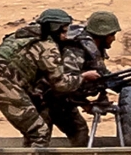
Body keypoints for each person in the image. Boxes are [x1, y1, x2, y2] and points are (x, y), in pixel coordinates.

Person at [0, 8, 101, 147]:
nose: (65, 36)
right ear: (54, 29)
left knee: (36, 126)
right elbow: (61, 84)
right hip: (8, 90)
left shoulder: (19, 37)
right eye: (63, 31)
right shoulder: (47, 47)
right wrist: (83, 77)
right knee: (40, 133)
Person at [46, 11, 122, 146]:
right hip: (46, 99)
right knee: (39, 136)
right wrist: (85, 104)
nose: (114, 39)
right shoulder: (76, 50)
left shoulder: (92, 49)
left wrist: (125, 84)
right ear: (103, 35)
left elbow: (103, 75)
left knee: (79, 131)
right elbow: (65, 83)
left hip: (62, 101)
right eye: (112, 35)